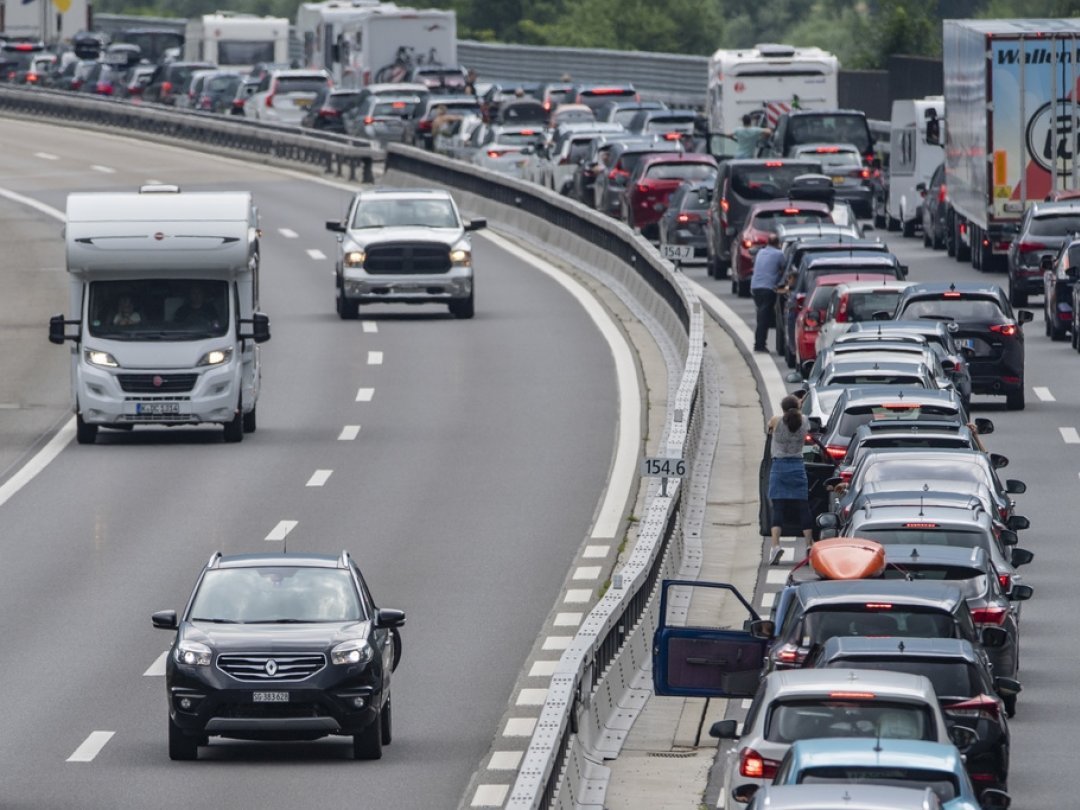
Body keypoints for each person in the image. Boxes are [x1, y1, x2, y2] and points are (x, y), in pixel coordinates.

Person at [766, 394, 814, 564]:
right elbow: (799, 418)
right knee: (803, 506)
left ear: (783, 408)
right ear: (798, 407)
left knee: (778, 508)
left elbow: (769, 429)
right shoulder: (805, 421)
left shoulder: (776, 420)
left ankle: (775, 546)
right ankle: (809, 544)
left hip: (779, 467)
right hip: (797, 466)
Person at [750, 232, 784, 352]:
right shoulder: (779, 254)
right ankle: (759, 345)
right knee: (763, 318)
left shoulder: (761, 252)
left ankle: (760, 342)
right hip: (768, 288)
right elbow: (784, 268)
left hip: (755, 287)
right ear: (778, 244)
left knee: (761, 316)